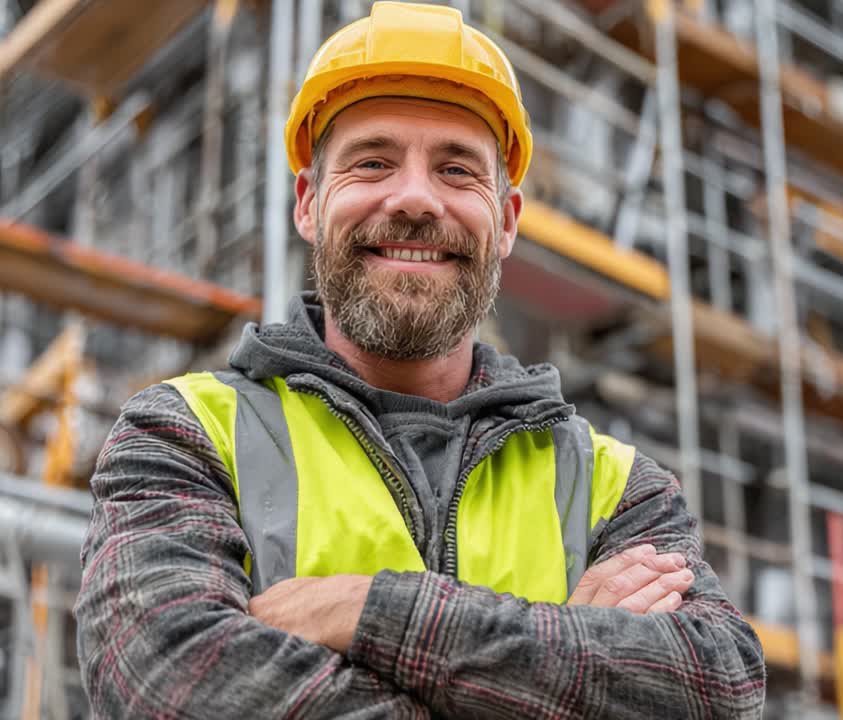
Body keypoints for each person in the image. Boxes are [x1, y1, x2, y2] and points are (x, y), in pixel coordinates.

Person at [74, 2, 766, 717]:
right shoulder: (182, 436)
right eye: (373, 161)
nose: (414, 198)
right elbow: (172, 684)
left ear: (508, 222)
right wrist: (560, 656)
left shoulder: (615, 488)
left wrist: (367, 606)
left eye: (457, 169)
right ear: (309, 202)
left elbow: (719, 688)